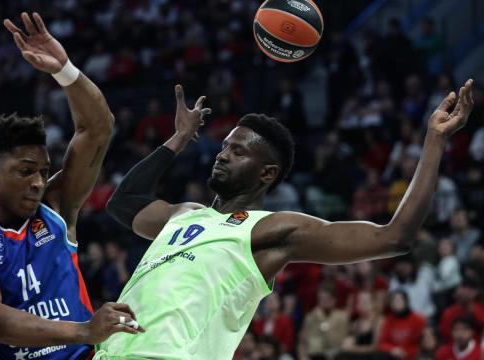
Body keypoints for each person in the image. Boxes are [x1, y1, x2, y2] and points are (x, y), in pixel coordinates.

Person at [97, 79, 475, 359]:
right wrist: (179, 138)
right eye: (226, 146)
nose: (224, 155)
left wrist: (434, 142)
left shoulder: (272, 229)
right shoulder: (184, 213)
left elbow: (395, 237)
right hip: (108, 351)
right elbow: (123, 203)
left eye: (239, 152)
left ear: (267, 174)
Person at [0, 12, 142, 360]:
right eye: (25, 171)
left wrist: (63, 70)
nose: (38, 182)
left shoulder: (56, 205)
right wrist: (84, 329)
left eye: (43, 171)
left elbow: (97, 129)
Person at [376, 291, 425, 360]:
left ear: (406, 302)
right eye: (393, 301)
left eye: (399, 300)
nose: (396, 303)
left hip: (412, 355)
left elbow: (420, 344)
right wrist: (392, 349)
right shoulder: (389, 320)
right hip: (393, 355)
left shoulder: (419, 320)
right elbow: (383, 342)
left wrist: (406, 352)